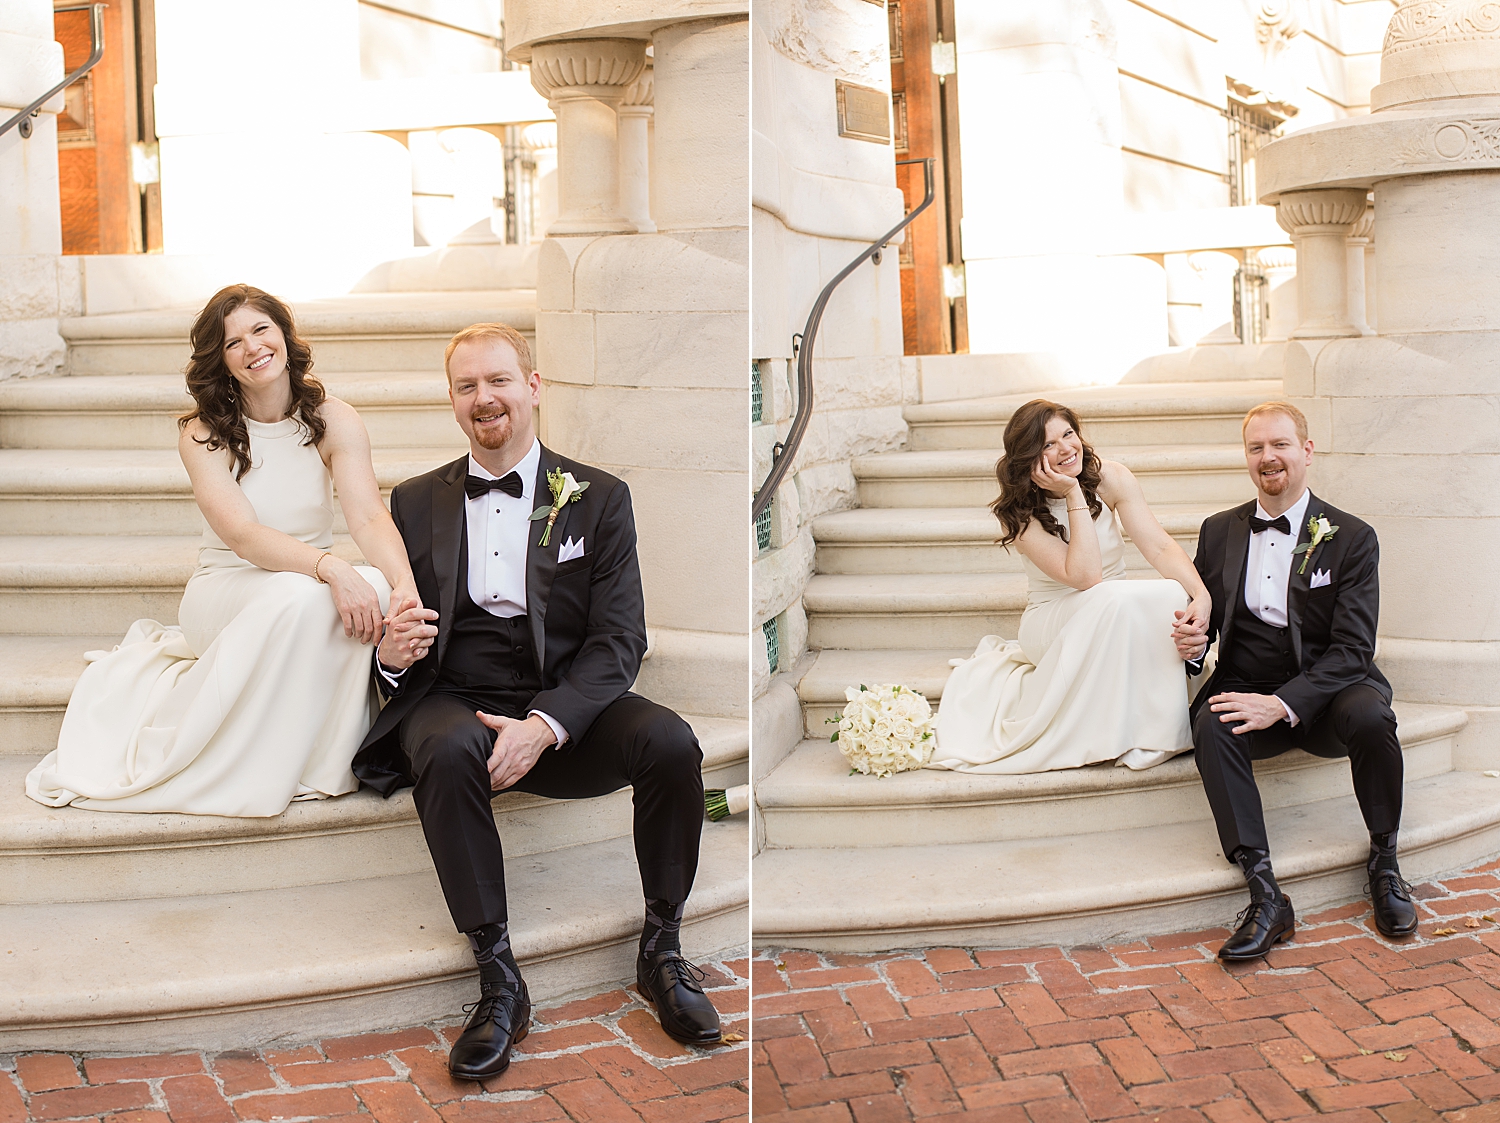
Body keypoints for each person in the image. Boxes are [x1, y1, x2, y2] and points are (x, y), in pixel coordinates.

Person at [354, 322, 721, 1081]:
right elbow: (400, 624)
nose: (484, 398)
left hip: (560, 698)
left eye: (498, 380)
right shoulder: (415, 501)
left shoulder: (598, 497)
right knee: (448, 746)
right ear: (452, 400)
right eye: (466, 386)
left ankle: (663, 948)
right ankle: (498, 977)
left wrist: (544, 725)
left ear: (533, 386)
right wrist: (388, 660)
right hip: (452, 692)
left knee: (672, 741)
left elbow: (621, 639)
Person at [25, 284, 420, 816]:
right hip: (228, 588)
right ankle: (251, 762)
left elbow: (369, 515)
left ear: (283, 334)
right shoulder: (202, 433)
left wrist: (403, 586)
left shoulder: (335, 419)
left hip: (304, 585)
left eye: (261, 329)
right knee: (304, 595)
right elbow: (243, 535)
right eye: (233, 342)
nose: (252, 347)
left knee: (368, 585)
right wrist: (328, 567)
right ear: (222, 360)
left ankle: (319, 760)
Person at [1173, 401, 1412, 961]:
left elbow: (1354, 648)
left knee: (1373, 716)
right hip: (1248, 683)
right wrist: (1192, 647)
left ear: (1306, 451)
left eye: (1279, 444)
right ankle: (1264, 893)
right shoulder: (1217, 531)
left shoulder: (1352, 536)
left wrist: (1281, 705)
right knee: (1211, 724)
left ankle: (1385, 861)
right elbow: (1208, 622)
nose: (1268, 457)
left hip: (1330, 693)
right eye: (1256, 448)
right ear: (1247, 459)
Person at [930, 399, 1211, 774]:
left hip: (1114, 607)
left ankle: (1157, 733)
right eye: (1048, 444)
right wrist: (1073, 493)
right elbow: (1085, 577)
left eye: (1068, 434)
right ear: (1030, 457)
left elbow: (1159, 546)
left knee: (1171, 593)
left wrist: (1201, 594)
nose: (1065, 449)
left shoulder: (1112, 476)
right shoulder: (1018, 512)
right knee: (1113, 598)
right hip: (1054, 617)